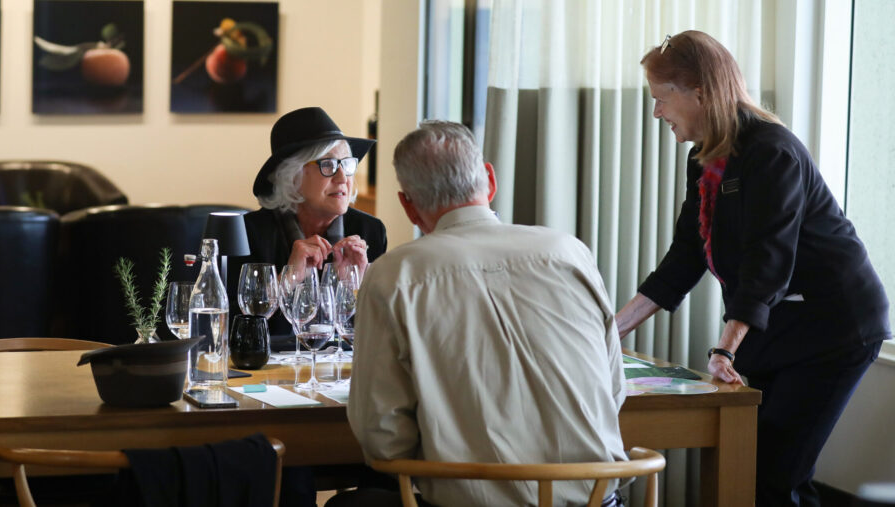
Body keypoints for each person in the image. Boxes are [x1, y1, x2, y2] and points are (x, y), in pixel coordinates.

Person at [615, 30, 891, 507]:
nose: (657, 112)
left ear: (699, 92)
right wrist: (609, 330)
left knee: (775, 472)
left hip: (834, 327)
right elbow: (686, 255)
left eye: (662, 99)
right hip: (780, 323)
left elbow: (769, 261)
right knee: (750, 463)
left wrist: (723, 351)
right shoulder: (704, 159)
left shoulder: (771, 151)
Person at [342, 120, 627, 507]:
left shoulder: (394, 275)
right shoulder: (569, 252)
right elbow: (613, 390)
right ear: (489, 180)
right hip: (596, 499)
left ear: (408, 206)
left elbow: (384, 438)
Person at [227, 106, 388, 341]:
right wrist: (287, 281)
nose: (343, 178)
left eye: (347, 164)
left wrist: (357, 286)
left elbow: (382, 333)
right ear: (292, 176)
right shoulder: (250, 233)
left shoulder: (369, 231)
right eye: (328, 165)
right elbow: (233, 330)